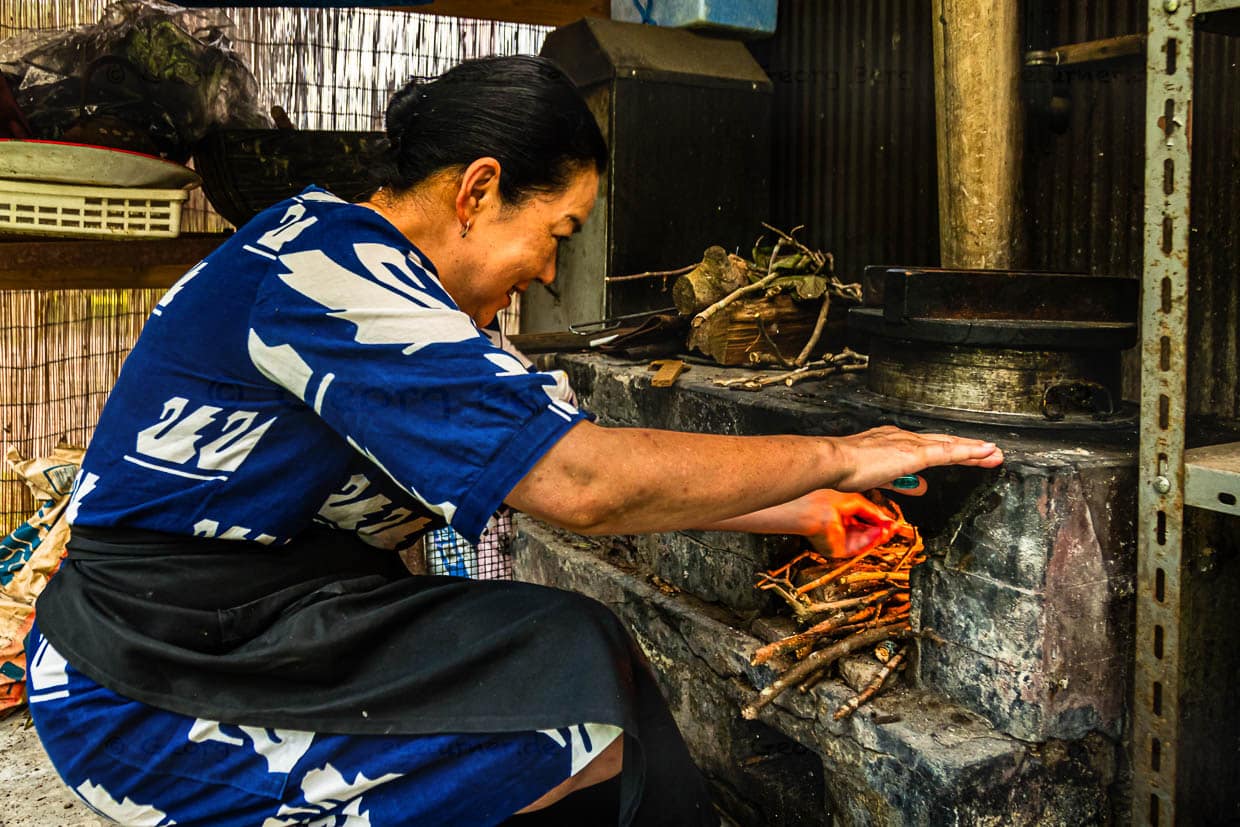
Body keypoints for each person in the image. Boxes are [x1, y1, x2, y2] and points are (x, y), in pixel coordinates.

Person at [26, 55, 1002, 827]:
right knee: (563, 677)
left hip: (255, 627)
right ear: (478, 189)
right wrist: (839, 451)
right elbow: (582, 481)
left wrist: (810, 506)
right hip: (144, 676)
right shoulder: (321, 267)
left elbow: (572, 457)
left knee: (562, 672)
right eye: (558, 232)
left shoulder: (392, 298)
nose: (544, 272)